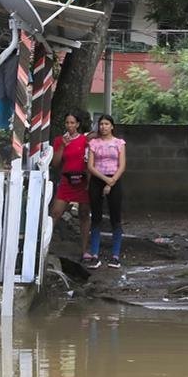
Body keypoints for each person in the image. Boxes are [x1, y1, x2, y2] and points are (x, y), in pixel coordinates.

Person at [86, 114, 127, 269]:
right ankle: (94, 254)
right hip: (97, 179)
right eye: (101, 124)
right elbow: (90, 166)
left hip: (114, 179)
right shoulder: (94, 143)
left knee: (115, 217)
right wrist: (105, 179)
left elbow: (122, 165)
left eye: (106, 124)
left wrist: (112, 181)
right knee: (96, 217)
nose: (103, 127)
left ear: (112, 126)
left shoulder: (119, 143)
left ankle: (115, 255)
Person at [49, 113, 92, 259]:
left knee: (84, 214)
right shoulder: (59, 140)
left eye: (72, 123)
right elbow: (55, 164)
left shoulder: (85, 140)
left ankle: (85, 249)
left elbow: (90, 159)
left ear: (78, 124)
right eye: (67, 123)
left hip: (82, 180)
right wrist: (62, 146)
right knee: (55, 212)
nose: (70, 125)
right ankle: (44, 246)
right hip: (66, 180)